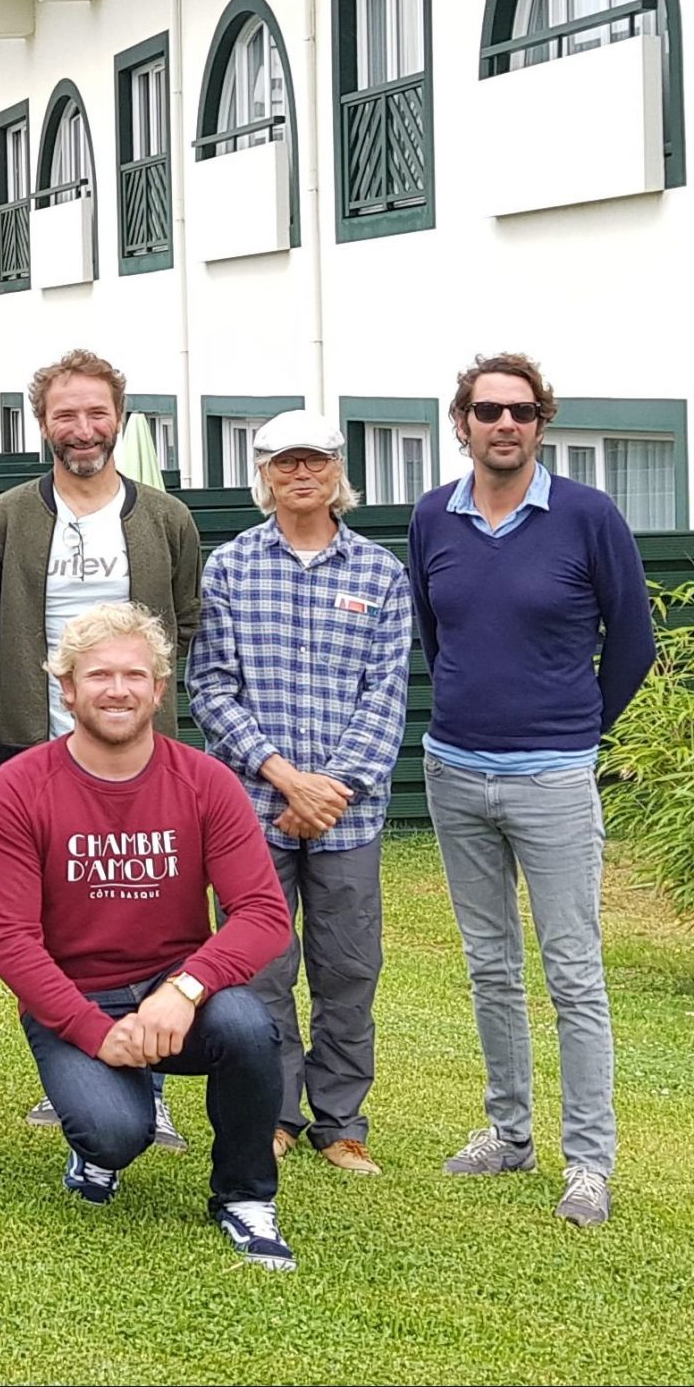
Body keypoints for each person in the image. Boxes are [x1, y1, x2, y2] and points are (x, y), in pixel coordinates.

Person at [0, 602, 297, 1270]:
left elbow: (265, 913)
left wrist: (184, 989)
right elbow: (10, 941)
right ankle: (96, 1144)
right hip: (75, 1000)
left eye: (133, 675)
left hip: (173, 993)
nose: (116, 690)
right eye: (97, 675)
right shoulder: (19, 788)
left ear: (158, 688)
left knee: (245, 1025)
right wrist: (95, 1032)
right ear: (66, 688)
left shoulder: (205, 782)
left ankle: (244, 1197)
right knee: (117, 1134)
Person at [411, 354, 655, 1227]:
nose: (504, 425)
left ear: (541, 423)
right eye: (487, 411)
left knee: (574, 974)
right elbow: (439, 637)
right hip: (453, 771)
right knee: (490, 966)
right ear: (463, 423)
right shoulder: (433, 515)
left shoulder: (588, 515)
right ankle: (508, 1133)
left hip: (552, 777)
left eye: (520, 412)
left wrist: (577, 730)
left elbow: (633, 643)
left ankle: (589, 1163)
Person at [0, 348, 202, 1145]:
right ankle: (71, 1064)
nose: (82, 428)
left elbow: (185, 623)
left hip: (139, 756)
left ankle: (155, 1078)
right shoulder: (5, 519)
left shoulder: (165, 518)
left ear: (120, 418)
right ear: (43, 424)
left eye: (96, 412)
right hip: (37, 748)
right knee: (47, 925)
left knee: (151, 911)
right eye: (65, 414)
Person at [188, 410, 410, 1175]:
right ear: (265, 476)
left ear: (338, 471)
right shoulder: (230, 569)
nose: (301, 474)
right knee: (260, 968)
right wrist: (284, 776)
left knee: (349, 967)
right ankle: (274, 1113)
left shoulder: (381, 574)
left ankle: (341, 1120)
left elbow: (387, 697)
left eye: (314, 460)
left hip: (350, 816)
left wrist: (331, 790)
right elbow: (211, 688)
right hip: (254, 809)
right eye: (285, 463)